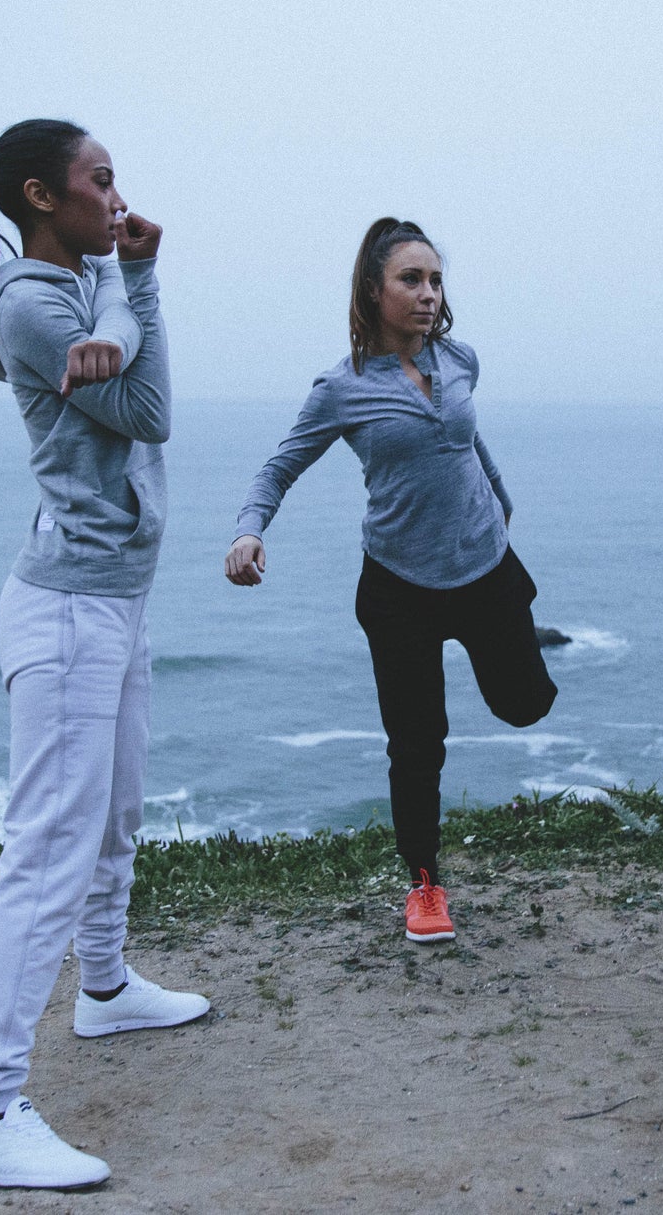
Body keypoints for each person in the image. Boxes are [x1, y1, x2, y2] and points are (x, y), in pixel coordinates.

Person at [0, 118, 209, 1190]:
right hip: (67, 611)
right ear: (42, 196)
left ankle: (105, 988)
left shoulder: (79, 280)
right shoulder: (30, 304)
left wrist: (124, 295)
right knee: (45, 851)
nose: (118, 196)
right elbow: (151, 413)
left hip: (113, 599)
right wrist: (140, 289)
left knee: (115, 811)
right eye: (100, 180)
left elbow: (123, 352)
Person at [224, 217, 557, 944]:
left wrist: (502, 499)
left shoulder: (459, 358)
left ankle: (500, 655)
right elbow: (280, 466)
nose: (429, 293)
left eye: (435, 279)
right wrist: (250, 530)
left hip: (485, 566)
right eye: (411, 279)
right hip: (399, 584)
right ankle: (425, 884)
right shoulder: (341, 389)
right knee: (416, 742)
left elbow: (466, 436)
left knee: (526, 705)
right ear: (373, 291)